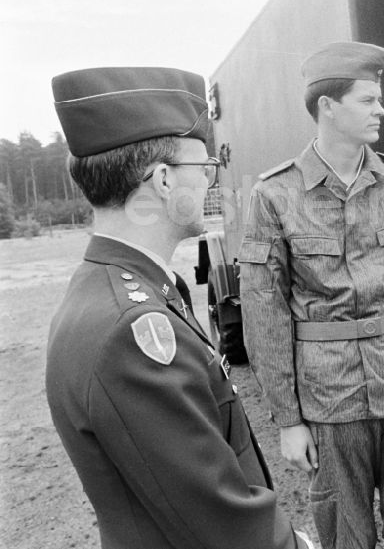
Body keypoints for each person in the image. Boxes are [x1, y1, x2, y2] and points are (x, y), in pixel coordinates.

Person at [45, 67, 312, 549]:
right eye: (206, 169)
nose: (212, 182)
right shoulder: (131, 328)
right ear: (165, 180)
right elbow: (217, 517)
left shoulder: (117, 292)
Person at [238, 41, 384, 549]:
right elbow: (264, 314)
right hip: (330, 401)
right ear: (326, 106)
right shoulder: (275, 195)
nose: (381, 109)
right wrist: (288, 420)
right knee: (346, 540)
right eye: (367, 100)